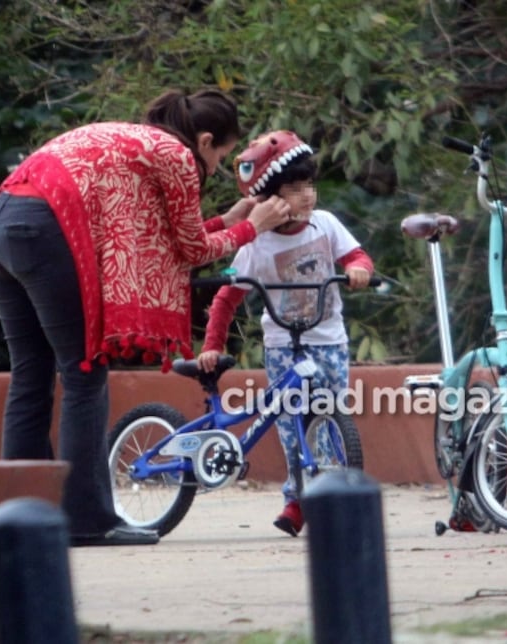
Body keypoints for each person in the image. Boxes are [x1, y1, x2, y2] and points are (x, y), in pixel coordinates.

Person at [0, 89, 292, 547]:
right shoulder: (179, 156)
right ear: (204, 141)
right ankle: (87, 521)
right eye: (222, 156)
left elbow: (163, 240)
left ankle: (23, 518)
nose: (218, 166)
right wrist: (254, 228)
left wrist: (229, 220)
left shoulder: (137, 141)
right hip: (46, 233)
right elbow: (193, 253)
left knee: (31, 375)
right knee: (84, 373)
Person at [197, 130, 374, 537]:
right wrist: (212, 345)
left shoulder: (325, 225)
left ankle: (333, 494)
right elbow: (227, 298)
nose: (307, 196)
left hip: (328, 340)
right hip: (282, 347)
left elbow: (355, 255)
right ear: (269, 199)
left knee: (330, 418)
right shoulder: (255, 244)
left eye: (309, 185)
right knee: (291, 422)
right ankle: (296, 501)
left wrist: (358, 269)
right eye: (294, 189)